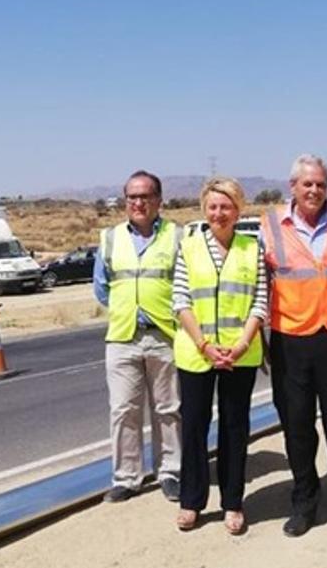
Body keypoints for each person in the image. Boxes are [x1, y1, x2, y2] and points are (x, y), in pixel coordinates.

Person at [261, 153, 327, 540]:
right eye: (307, 184)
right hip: (291, 341)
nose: (314, 190)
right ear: (293, 186)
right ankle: (304, 502)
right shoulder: (269, 225)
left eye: (321, 184)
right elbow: (260, 286)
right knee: (297, 425)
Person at [171, 177, 267, 535]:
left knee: (234, 428)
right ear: (203, 210)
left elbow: (260, 300)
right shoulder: (189, 247)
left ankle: (233, 502)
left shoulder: (252, 249)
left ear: (238, 209)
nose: (219, 213)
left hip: (239, 355)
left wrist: (240, 345)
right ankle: (191, 501)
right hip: (198, 354)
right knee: (194, 426)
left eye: (226, 206)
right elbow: (180, 300)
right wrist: (205, 345)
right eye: (212, 206)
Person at [93, 170, 182, 503]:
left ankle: (170, 471)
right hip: (123, 337)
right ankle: (127, 478)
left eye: (145, 196)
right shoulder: (110, 239)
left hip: (165, 336)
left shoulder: (177, 236)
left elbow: (185, 285)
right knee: (123, 410)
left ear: (159, 200)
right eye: (132, 196)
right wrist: (126, 309)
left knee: (169, 408)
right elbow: (101, 288)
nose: (138, 202)